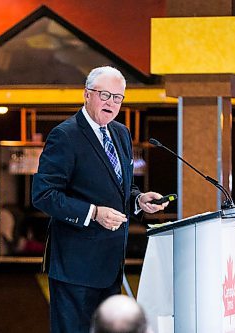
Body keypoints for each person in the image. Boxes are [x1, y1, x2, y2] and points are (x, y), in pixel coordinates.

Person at [32, 66, 168, 332]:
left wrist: (138, 199)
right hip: (75, 268)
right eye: (105, 95)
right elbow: (43, 195)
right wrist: (93, 213)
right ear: (86, 94)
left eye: (118, 98)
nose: (111, 103)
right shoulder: (65, 135)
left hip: (111, 264)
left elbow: (117, 188)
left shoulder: (121, 133)